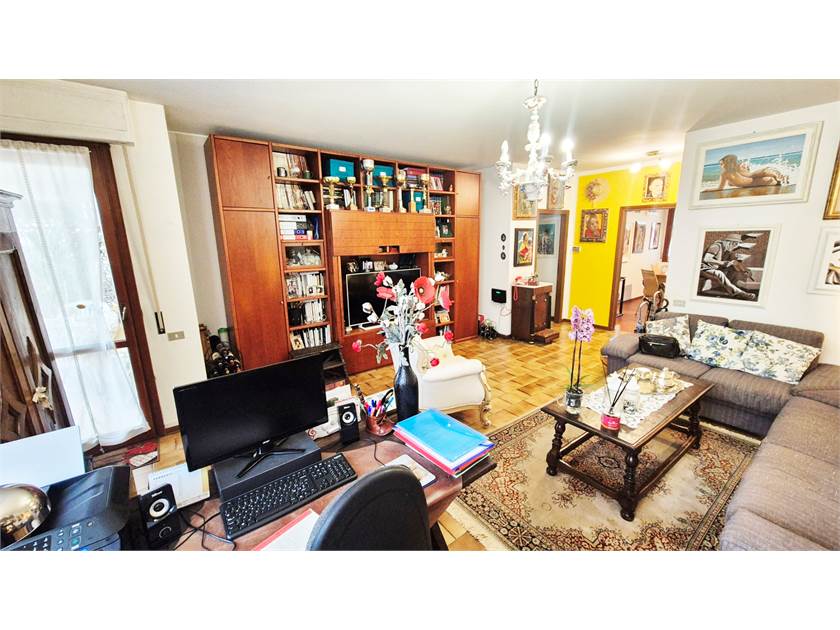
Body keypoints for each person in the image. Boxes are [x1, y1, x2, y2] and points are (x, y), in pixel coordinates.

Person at [699, 233, 757, 300]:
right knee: (719, 273)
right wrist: (723, 263)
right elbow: (706, 259)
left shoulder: (727, 250)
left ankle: (729, 289)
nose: (734, 247)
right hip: (703, 269)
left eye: (736, 245)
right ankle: (738, 293)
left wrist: (744, 270)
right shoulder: (716, 246)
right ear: (730, 242)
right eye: (734, 244)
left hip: (713, 269)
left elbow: (734, 262)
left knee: (733, 270)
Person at [704, 154, 788, 191]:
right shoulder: (729, 173)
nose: (721, 166)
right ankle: (781, 176)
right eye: (720, 164)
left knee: (757, 175)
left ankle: (780, 176)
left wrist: (707, 190)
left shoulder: (727, 173)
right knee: (772, 178)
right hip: (758, 181)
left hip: (756, 181)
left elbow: (719, 188)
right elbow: (721, 187)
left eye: (722, 164)